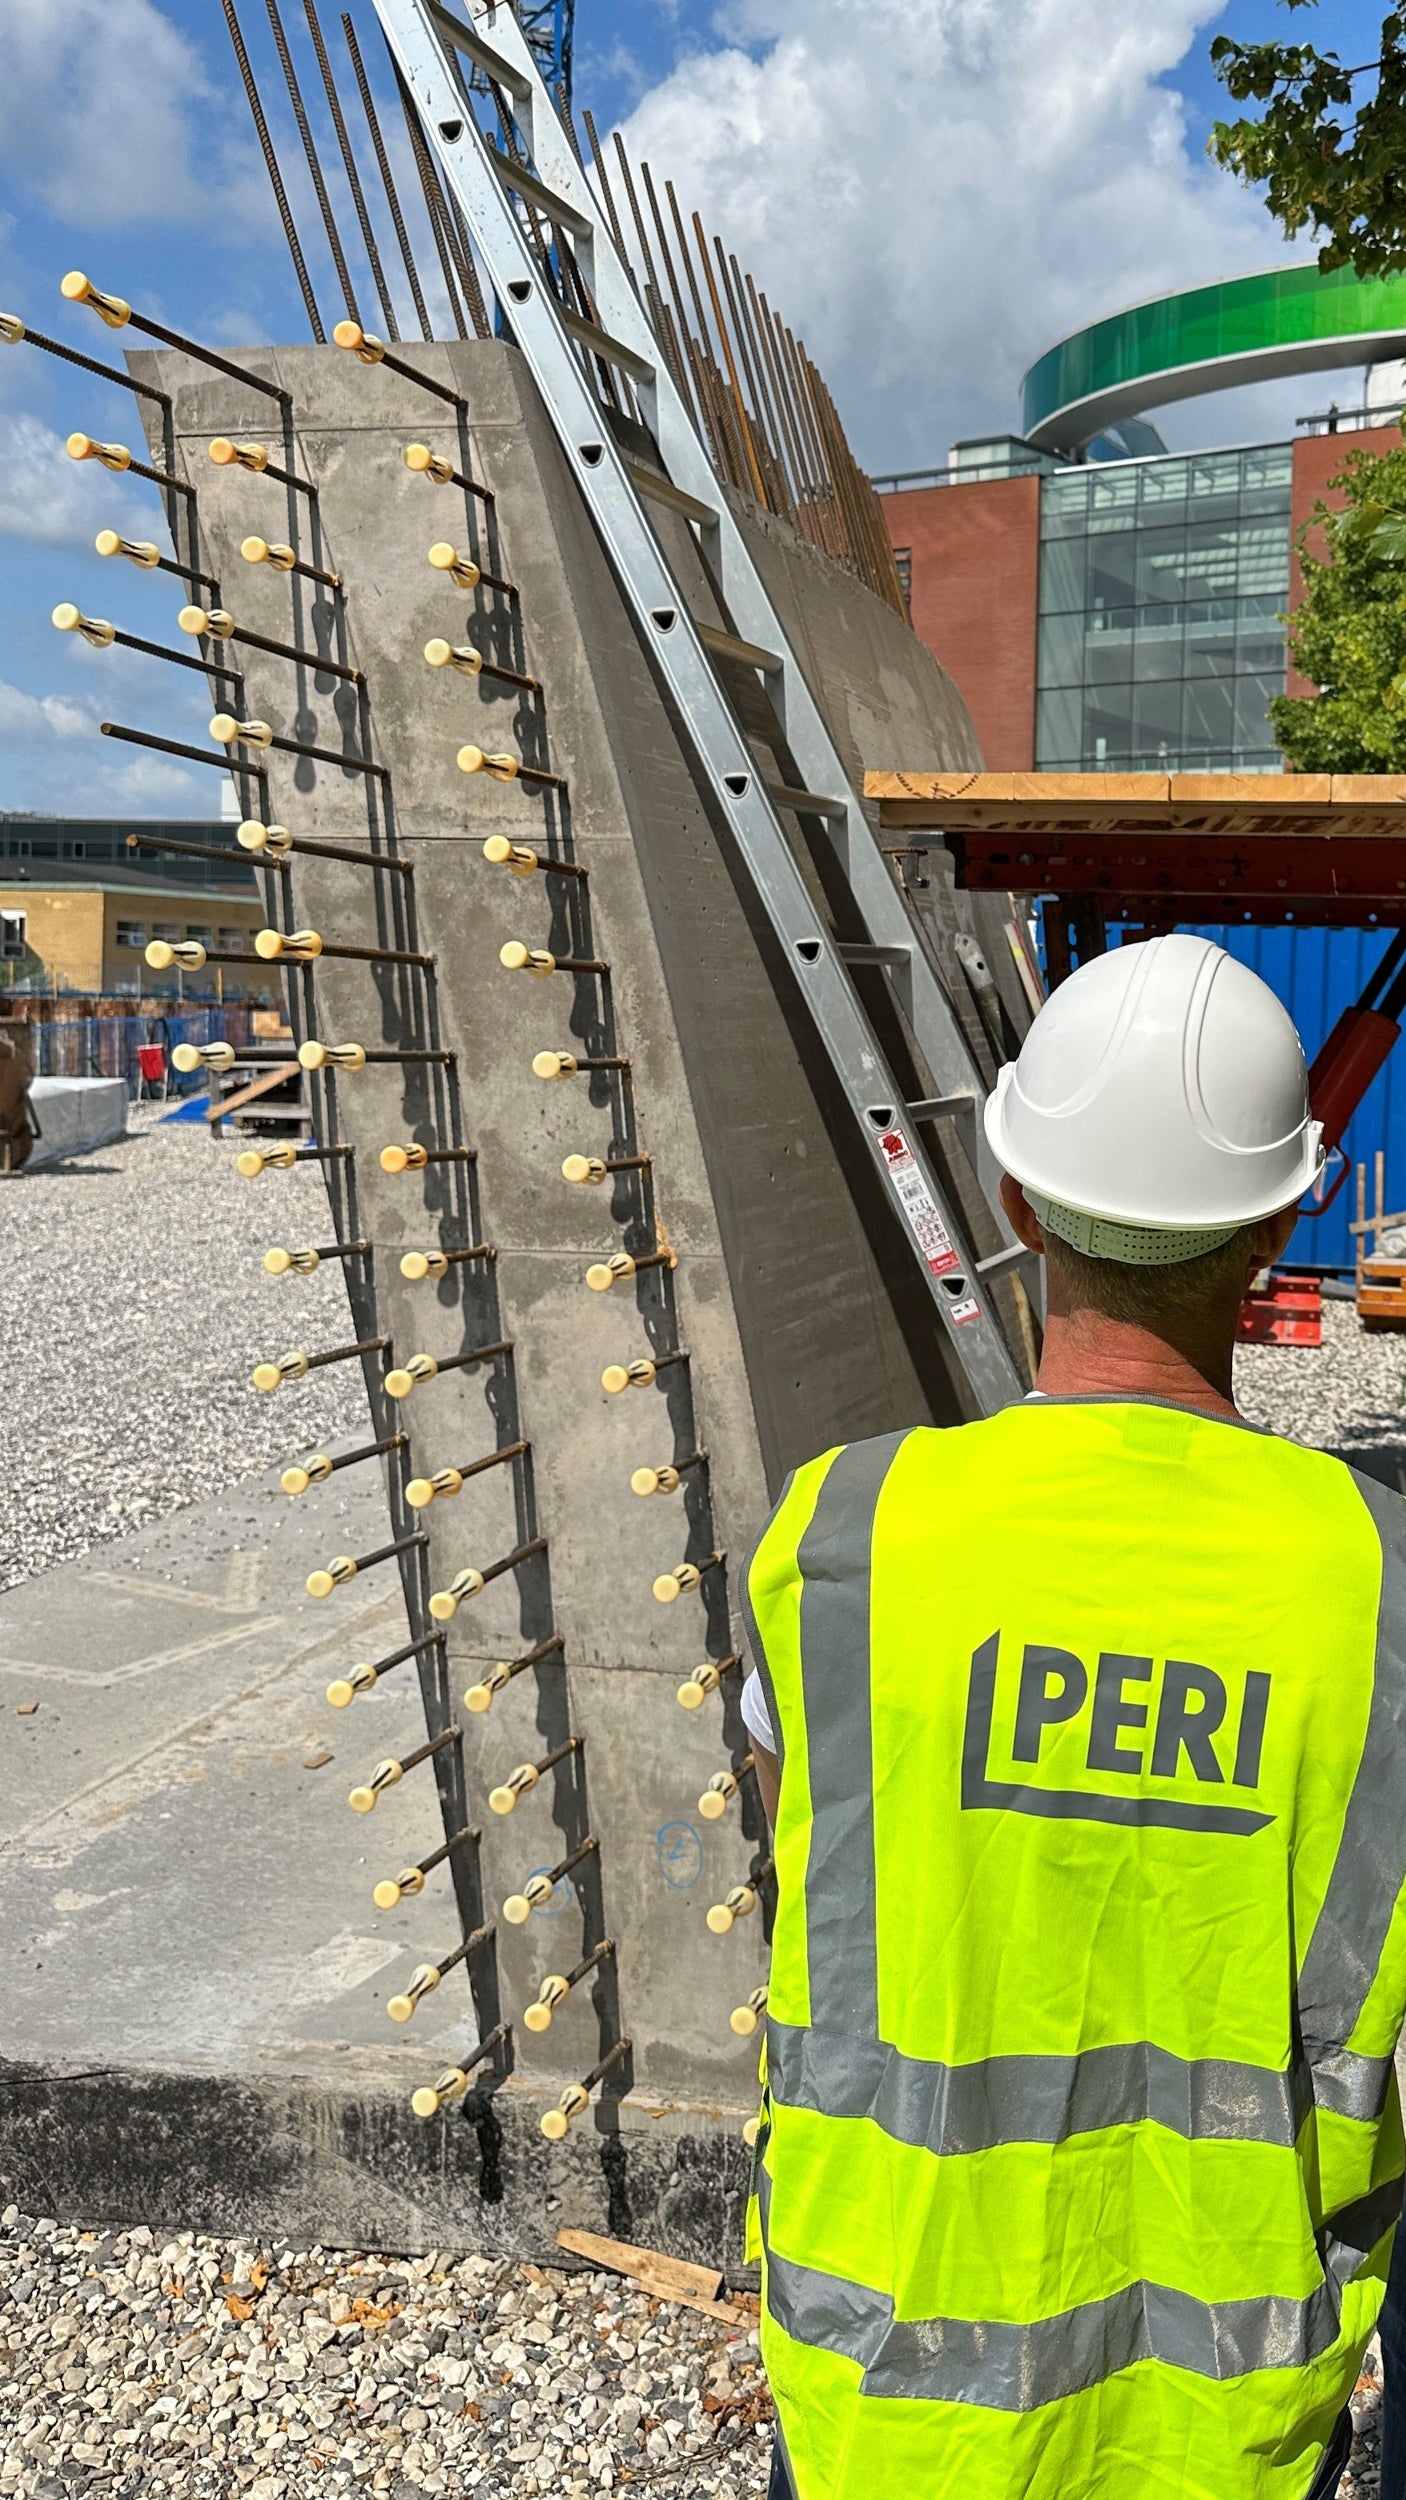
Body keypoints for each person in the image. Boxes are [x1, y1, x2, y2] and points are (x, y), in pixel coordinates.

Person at [738, 932, 1406, 2500]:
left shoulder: (844, 1533)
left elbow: (807, 1877)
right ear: (1277, 1226)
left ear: (1016, 1204)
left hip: (876, 2390)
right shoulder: (1380, 1584)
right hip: (1222, 2424)